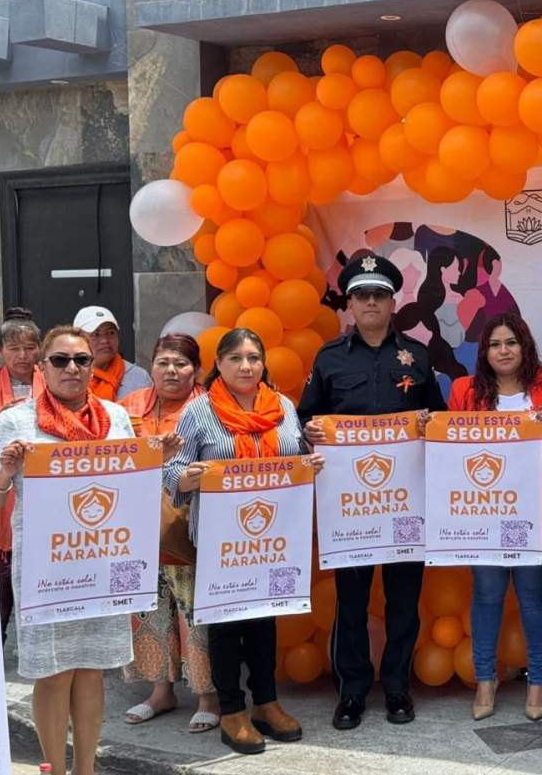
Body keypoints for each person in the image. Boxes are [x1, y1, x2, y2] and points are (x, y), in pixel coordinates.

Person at [300, 251, 446, 731]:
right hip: (352, 506)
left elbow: (440, 420)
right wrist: (311, 433)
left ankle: (399, 688)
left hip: (405, 502)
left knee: (404, 599)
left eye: (379, 295)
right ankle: (353, 691)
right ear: (350, 302)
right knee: (352, 602)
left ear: (391, 302)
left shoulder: (419, 356)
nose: (370, 303)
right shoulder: (328, 358)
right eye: (361, 295)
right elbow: (305, 418)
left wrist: (429, 424)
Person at [0, 325, 151, 775]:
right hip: (48, 568)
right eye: (60, 359)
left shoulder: (115, 417)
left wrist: (158, 456)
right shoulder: (15, 420)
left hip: (101, 558)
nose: (71, 368)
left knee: (91, 669)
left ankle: (86, 768)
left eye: (81, 359)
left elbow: (131, 484)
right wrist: (6, 469)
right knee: (54, 671)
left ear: (91, 366)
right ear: (42, 367)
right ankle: (55, 769)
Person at [165, 328, 322, 756]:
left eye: (254, 357)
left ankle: (265, 703)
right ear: (219, 363)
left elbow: (294, 456)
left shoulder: (283, 407)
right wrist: (188, 477)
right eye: (235, 358)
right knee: (227, 622)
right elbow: (170, 471)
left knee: (264, 620)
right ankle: (232, 710)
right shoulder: (199, 412)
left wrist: (311, 461)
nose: (246, 366)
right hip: (221, 539)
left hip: (272, 537)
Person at [447, 312, 542, 722]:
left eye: (511, 342)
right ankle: (485, 680)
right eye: (495, 344)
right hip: (485, 515)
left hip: (537, 512)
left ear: (524, 345)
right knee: (487, 596)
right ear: (485, 352)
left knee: (533, 598)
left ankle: (537, 682)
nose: (503, 350)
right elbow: (452, 453)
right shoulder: (464, 390)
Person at [120, 334, 220, 734]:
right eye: (163, 362)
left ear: (195, 370)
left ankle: (207, 696)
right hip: (136, 530)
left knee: (196, 616)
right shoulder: (128, 407)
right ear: (152, 366)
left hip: (188, 529)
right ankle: (160, 691)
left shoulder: (209, 408)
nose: (171, 371)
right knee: (148, 613)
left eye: (180, 363)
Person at [0, 307, 42, 644]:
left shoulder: (56, 383)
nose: (23, 356)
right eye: (14, 349)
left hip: (43, 505)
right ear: (1, 351)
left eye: (29, 348)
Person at [73, 306, 151, 401]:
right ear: (78, 339)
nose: (104, 340)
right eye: (95, 334)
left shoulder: (138, 377)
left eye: (110, 333)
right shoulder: (68, 375)